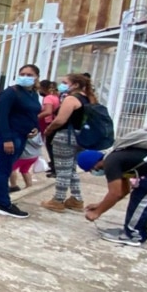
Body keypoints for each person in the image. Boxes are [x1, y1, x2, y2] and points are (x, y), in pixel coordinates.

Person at [0, 64, 42, 219]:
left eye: (29, 74)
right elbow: (2, 117)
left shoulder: (32, 94)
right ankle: (4, 204)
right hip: (12, 136)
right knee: (5, 169)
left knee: (3, 167)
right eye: (22, 73)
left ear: (36, 76)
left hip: (24, 135)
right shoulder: (11, 93)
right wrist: (7, 139)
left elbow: (33, 113)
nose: (25, 77)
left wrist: (35, 127)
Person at [39, 73, 94, 213]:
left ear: (75, 84)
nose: (61, 85)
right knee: (71, 169)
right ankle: (77, 198)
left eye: (65, 82)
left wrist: (49, 130)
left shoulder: (71, 99)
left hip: (65, 137)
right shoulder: (88, 99)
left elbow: (60, 120)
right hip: (80, 137)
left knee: (62, 169)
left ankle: (58, 199)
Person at [38, 80, 60, 177]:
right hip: (54, 122)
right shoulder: (56, 97)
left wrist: (36, 117)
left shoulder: (48, 98)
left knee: (50, 146)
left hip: (49, 123)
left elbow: (48, 111)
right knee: (53, 146)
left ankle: (55, 169)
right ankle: (54, 167)